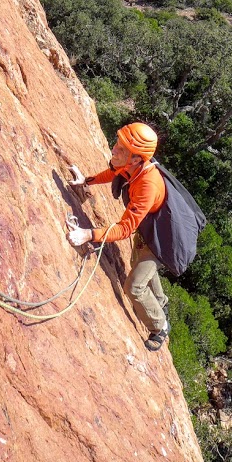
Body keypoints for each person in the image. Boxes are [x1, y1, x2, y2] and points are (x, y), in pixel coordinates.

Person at [67, 122, 169, 351]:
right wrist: (86, 181)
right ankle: (161, 302)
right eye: (117, 144)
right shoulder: (133, 165)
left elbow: (124, 229)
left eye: (121, 149)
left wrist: (88, 234)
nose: (114, 150)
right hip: (148, 230)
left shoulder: (148, 185)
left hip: (161, 241)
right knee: (137, 264)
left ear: (135, 159)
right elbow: (113, 172)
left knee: (133, 287)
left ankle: (159, 326)